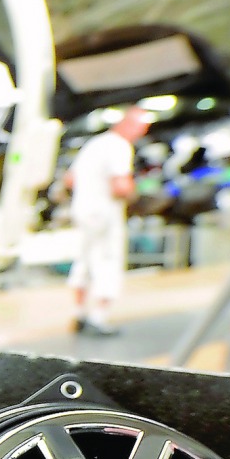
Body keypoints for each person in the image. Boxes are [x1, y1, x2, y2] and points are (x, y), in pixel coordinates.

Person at [64, 105, 151, 337]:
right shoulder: (120, 147)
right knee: (108, 260)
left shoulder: (94, 144)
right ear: (128, 124)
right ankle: (98, 318)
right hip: (104, 212)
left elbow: (70, 180)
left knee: (84, 259)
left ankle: (78, 313)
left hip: (82, 209)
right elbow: (120, 185)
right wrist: (136, 195)